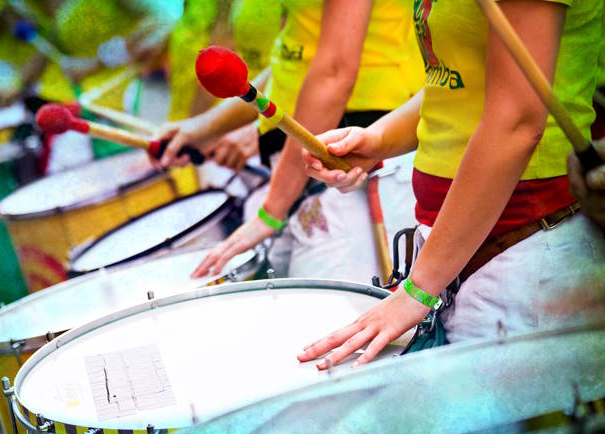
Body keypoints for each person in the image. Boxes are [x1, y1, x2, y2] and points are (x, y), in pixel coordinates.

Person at [297, 0, 605, 369]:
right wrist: (378, 138)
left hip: (524, 255)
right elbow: (461, 80)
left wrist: (417, 289)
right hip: (457, 260)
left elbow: (518, 122)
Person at [160, 0, 424, 281]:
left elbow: (334, 72)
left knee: (330, 319)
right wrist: (204, 128)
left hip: (350, 166)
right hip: (300, 173)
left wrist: (271, 212)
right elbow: (292, 60)